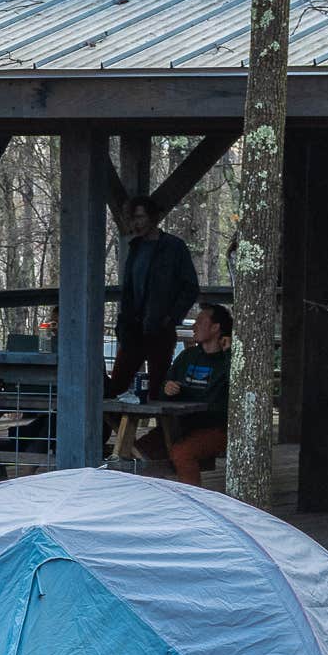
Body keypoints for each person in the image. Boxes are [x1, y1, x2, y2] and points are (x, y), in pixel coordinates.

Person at [109, 198, 200, 403]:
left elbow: (190, 286)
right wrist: (123, 322)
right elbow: (129, 290)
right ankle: (115, 431)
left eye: (140, 217)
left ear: (153, 217)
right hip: (133, 327)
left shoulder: (173, 247)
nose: (136, 224)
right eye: (132, 219)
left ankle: (163, 433)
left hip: (159, 327)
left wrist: (171, 316)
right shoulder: (135, 247)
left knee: (159, 389)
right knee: (116, 386)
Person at [132, 301, 231, 484]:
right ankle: (161, 498)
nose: (194, 326)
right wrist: (167, 389)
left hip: (215, 428)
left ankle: (193, 503)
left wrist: (229, 353)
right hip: (178, 425)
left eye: (200, 322)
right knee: (136, 450)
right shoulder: (188, 356)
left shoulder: (230, 360)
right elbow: (162, 390)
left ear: (216, 328)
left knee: (182, 452)